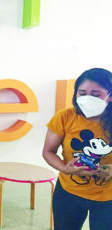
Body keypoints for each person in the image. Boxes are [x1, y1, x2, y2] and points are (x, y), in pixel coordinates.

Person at [42, 68, 112, 230]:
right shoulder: (64, 117)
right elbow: (48, 151)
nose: (88, 98)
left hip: (108, 198)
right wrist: (65, 168)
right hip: (69, 193)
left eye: (96, 95)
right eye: (82, 93)